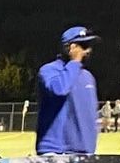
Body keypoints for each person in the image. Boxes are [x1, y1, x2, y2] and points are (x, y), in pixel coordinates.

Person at [35, 25, 100, 155]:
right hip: (55, 151)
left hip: (84, 152)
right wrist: (75, 61)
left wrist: (90, 149)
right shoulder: (49, 70)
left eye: (89, 46)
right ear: (69, 47)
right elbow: (59, 89)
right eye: (84, 46)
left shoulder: (88, 77)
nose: (88, 50)